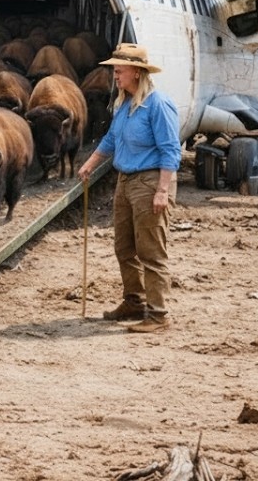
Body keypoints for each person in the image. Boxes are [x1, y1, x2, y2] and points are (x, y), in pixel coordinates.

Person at [76, 43, 181, 333]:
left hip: (150, 182)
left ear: (137, 72)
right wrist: (91, 162)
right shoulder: (123, 103)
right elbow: (111, 138)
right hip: (125, 181)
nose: (115, 76)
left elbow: (171, 150)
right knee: (124, 247)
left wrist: (162, 190)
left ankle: (158, 314)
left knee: (150, 250)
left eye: (119, 71)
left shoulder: (157, 104)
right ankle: (134, 301)